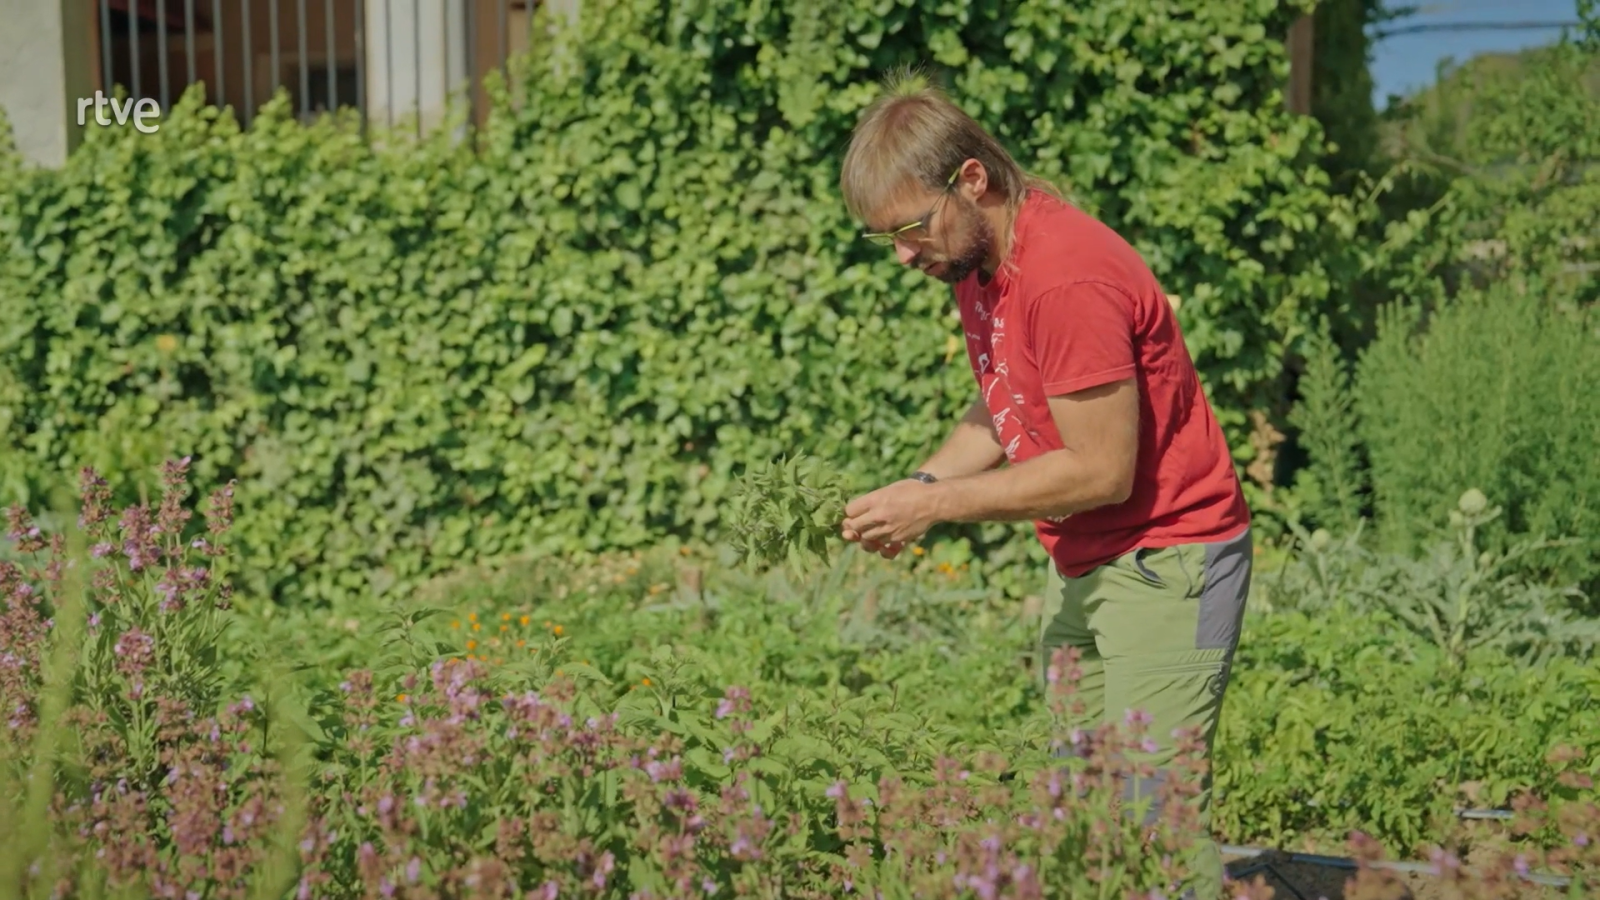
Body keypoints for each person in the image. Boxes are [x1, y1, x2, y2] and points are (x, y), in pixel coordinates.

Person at [835, 70, 1253, 900]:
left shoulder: (1067, 277)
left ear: (972, 181)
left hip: (1168, 560)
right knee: (1076, 809)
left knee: (1151, 821)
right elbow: (1002, 406)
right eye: (888, 240)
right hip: (1090, 564)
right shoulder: (984, 264)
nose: (906, 255)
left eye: (911, 230)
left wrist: (938, 506)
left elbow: (1101, 469)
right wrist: (916, 486)